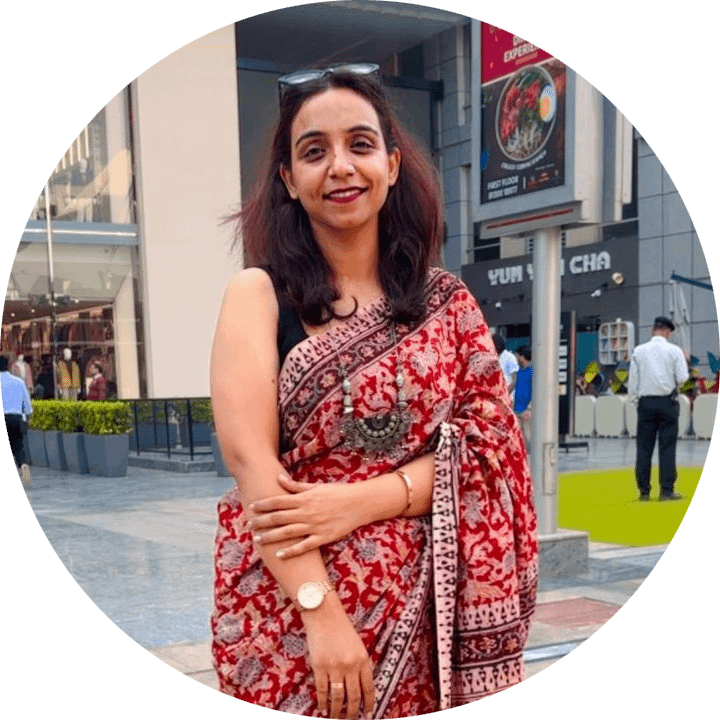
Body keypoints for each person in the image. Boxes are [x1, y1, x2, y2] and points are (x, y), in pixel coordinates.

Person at [210, 64, 537, 718]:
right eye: (314, 152)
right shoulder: (257, 295)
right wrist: (322, 616)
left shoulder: (446, 305)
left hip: (433, 622)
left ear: (390, 164)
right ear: (289, 180)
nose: (340, 167)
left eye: (359, 145)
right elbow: (254, 472)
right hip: (291, 623)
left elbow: (491, 452)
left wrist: (357, 502)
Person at [628, 316, 689, 501]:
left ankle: (644, 492)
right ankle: (666, 491)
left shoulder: (638, 351)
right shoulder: (675, 351)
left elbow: (633, 380)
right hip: (667, 403)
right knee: (667, 448)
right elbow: (682, 377)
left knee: (643, 448)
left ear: (653, 330)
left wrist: (635, 401)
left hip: (646, 403)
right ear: (667, 332)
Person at [1, 355, 33, 485]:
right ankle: (22, 464)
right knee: (18, 447)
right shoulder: (18, 382)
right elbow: (27, 405)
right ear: (8, 366)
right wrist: (27, 417)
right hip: (16, 418)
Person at [513, 345, 532, 449]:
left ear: (523, 357)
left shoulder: (533, 371)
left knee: (528, 437)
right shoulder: (519, 371)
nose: (518, 358)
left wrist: (530, 409)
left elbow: (536, 391)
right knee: (518, 438)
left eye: (519, 356)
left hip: (526, 411)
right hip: (517, 409)